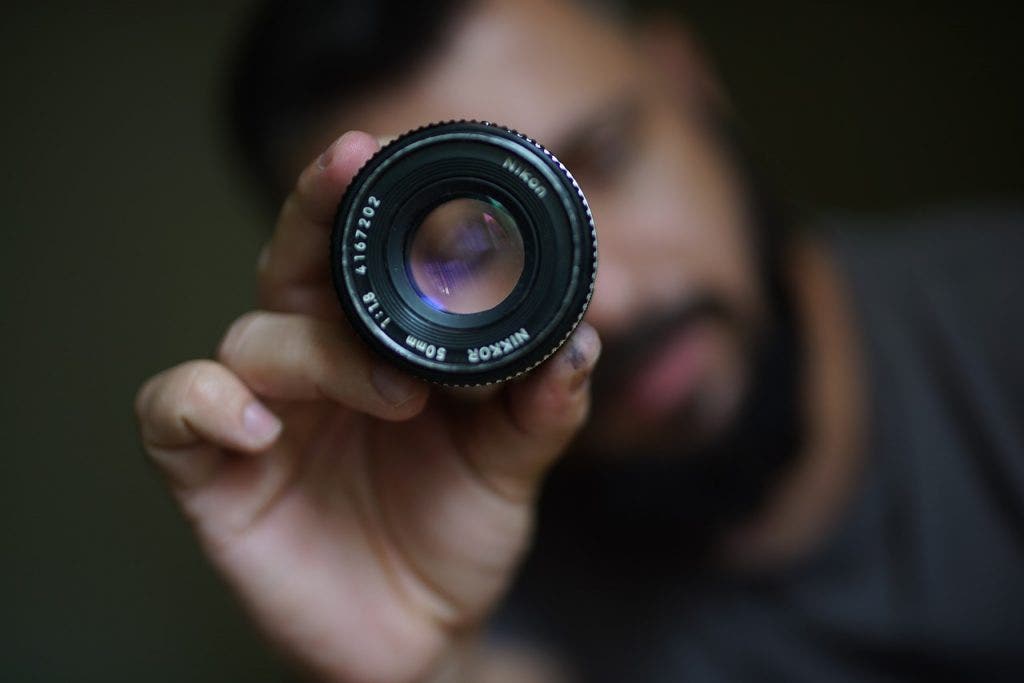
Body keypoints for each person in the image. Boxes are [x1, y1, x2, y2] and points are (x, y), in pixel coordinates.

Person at [133, 0, 1024, 681]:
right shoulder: (451, 563)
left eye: (603, 156)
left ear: (691, 82)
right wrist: (436, 670)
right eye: (466, 249)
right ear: (375, 304)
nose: (613, 298)